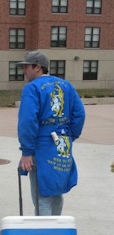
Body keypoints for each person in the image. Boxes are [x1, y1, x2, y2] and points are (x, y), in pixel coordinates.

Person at [17, 51, 85, 216]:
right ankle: (56, 230)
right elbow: (79, 114)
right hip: (62, 145)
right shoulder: (66, 85)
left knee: (43, 195)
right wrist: (70, 136)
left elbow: (27, 121)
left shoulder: (32, 88)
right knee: (56, 191)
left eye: (26, 67)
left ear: (38, 67)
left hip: (42, 147)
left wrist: (27, 151)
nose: (24, 71)